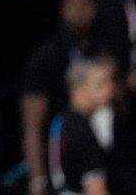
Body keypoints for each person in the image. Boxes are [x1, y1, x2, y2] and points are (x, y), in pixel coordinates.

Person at [22, 0, 106, 195]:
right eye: (74, 5)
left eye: (86, 5)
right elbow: (32, 123)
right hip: (64, 162)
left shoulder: (100, 52)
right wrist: (37, 181)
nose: (80, 12)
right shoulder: (48, 56)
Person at [48, 58, 116, 195]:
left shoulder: (59, 122)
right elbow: (97, 190)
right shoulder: (83, 131)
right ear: (78, 89)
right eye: (100, 84)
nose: (110, 89)